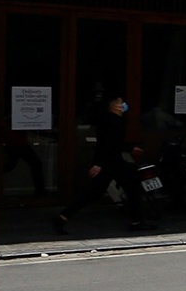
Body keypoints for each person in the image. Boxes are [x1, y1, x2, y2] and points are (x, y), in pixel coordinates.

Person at [53, 92, 139, 234]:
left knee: (95, 193)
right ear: (115, 107)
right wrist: (98, 164)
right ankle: (136, 221)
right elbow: (109, 144)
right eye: (121, 103)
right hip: (111, 163)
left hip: (110, 162)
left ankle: (63, 217)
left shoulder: (109, 120)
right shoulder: (113, 121)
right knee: (131, 187)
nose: (124, 106)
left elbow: (110, 143)